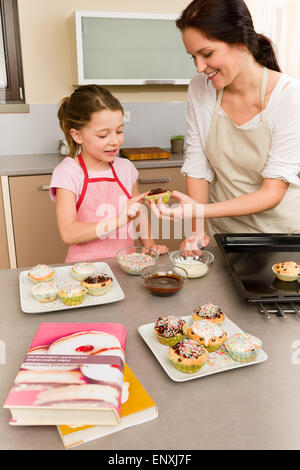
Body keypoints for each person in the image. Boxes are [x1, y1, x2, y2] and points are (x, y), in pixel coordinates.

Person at [152, 0, 300, 249]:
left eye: (207, 54)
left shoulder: (289, 96)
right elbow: (198, 165)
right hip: (223, 234)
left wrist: (198, 210)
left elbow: (273, 192)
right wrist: (198, 232)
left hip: (280, 237)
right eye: (193, 57)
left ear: (241, 42)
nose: (199, 67)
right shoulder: (201, 89)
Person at [50, 84, 168, 262]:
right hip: (85, 270)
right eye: (103, 135)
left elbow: (138, 214)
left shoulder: (126, 168)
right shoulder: (68, 173)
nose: (115, 141)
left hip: (126, 264)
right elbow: (69, 233)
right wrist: (118, 221)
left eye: (119, 131)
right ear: (77, 136)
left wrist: (149, 245)